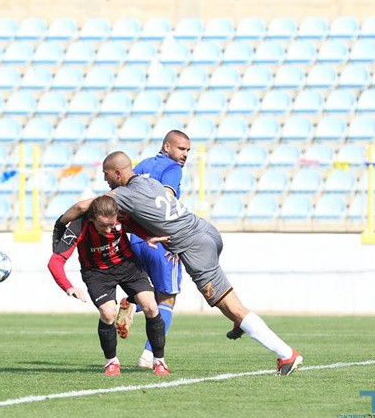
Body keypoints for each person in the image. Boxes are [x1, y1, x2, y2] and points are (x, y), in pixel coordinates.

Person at [59, 152, 303, 377]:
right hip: (205, 230)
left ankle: (286, 354)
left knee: (231, 305)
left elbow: (82, 206)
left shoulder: (125, 195)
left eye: (106, 175)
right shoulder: (150, 182)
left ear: (117, 173)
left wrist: (60, 224)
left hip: (194, 246)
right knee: (225, 302)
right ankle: (239, 321)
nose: (105, 180)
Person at [48, 195, 169, 376]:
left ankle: (159, 361)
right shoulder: (78, 226)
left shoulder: (122, 216)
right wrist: (68, 287)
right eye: (102, 225)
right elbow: (55, 261)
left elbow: (137, 225)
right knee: (108, 313)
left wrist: (147, 237)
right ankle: (111, 362)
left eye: (111, 225)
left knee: (151, 307)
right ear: (92, 218)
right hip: (96, 273)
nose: (107, 230)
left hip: (127, 265)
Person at [115, 130, 191, 370]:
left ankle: (132, 303)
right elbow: (165, 202)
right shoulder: (172, 168)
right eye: (181, 149)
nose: (185, 154)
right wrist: (172, 239)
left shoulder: (142, 166)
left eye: (187, 150)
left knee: (148, 292)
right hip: (159, 239)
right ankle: (149, 355)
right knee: (167, 297)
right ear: (167, 147)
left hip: (136, 239)